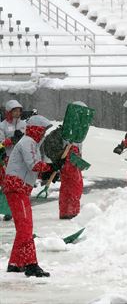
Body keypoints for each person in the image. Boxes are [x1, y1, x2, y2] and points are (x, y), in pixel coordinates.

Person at [4, 115, 54, 277]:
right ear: (37, 129)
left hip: (20, 189)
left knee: (23, 228)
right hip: (16, 189)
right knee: (25, 227)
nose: (44, 134)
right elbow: (34, 165)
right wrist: (51, 166)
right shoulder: (28, 142)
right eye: (43, 130)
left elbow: (30, 169)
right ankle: (30, 264)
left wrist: (48, 172)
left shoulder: (30, 143)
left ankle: (15, 263)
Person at [58, 101, 88, 220]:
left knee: (67, 186)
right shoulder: (73, 126)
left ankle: (66, 211)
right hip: (70, 158)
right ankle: (72, 211)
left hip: (69, 159)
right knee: (75, 186)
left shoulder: (72, 126)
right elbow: (70, 144)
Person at [1, 100, 27, 184]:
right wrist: (12, 140)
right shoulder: (2, 126)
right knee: (8, 182)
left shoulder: (24, 125)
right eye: (15, 110)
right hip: (7, 158)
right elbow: (0, 144)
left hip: (22, 158)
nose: (17, 113)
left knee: (20, 181)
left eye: (19, 111)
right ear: (9, 111)